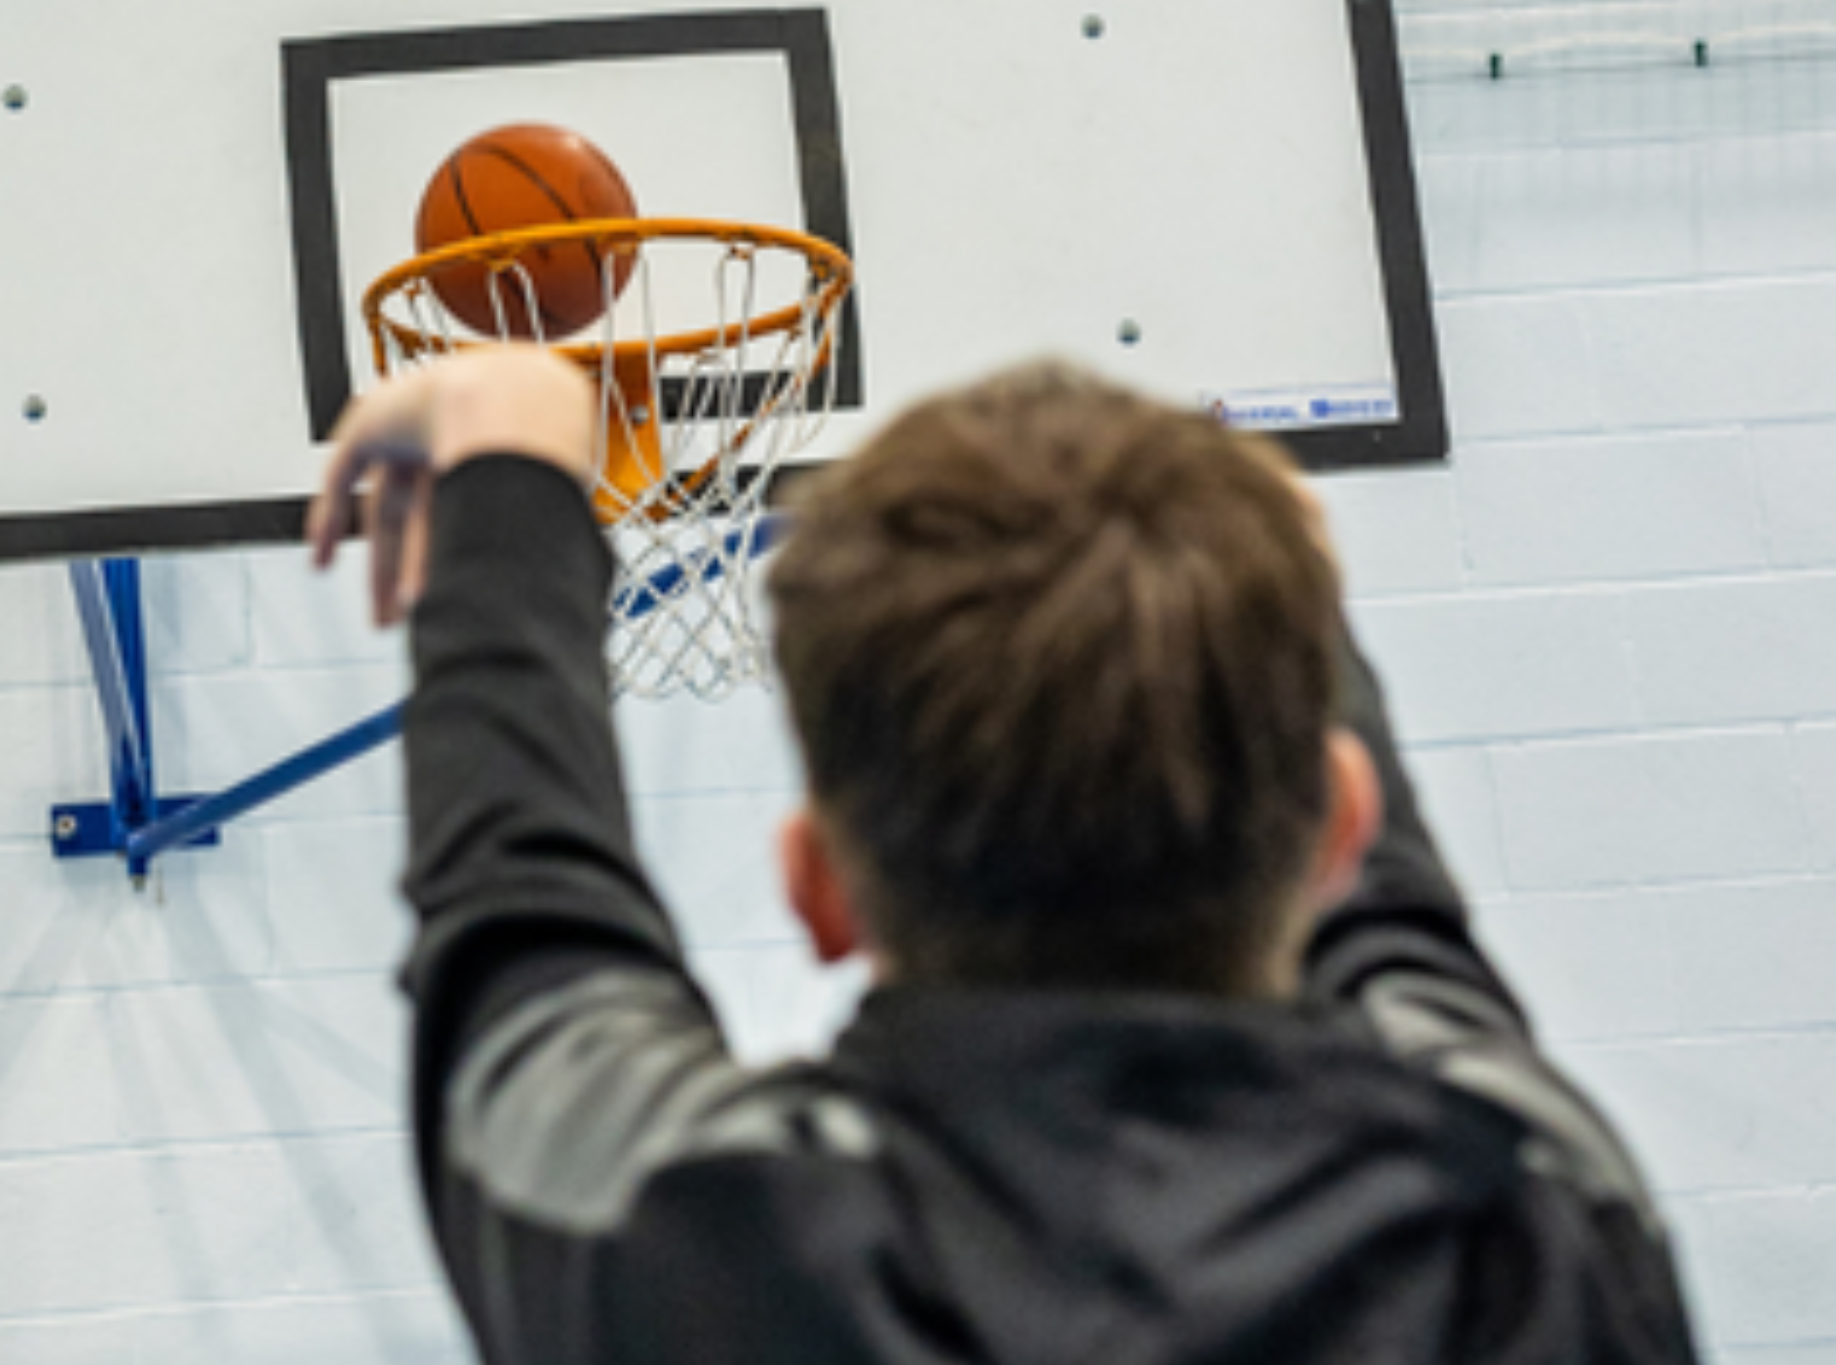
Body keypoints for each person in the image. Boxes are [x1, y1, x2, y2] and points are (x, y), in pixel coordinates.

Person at [310, 345, 1700, 1364]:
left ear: (818, 889)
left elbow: (521, 929)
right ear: (1337, 824)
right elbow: (1409, 956)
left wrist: (509, 486)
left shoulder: (717, 1247)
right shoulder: (1532, 1223)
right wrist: (1276, 596)